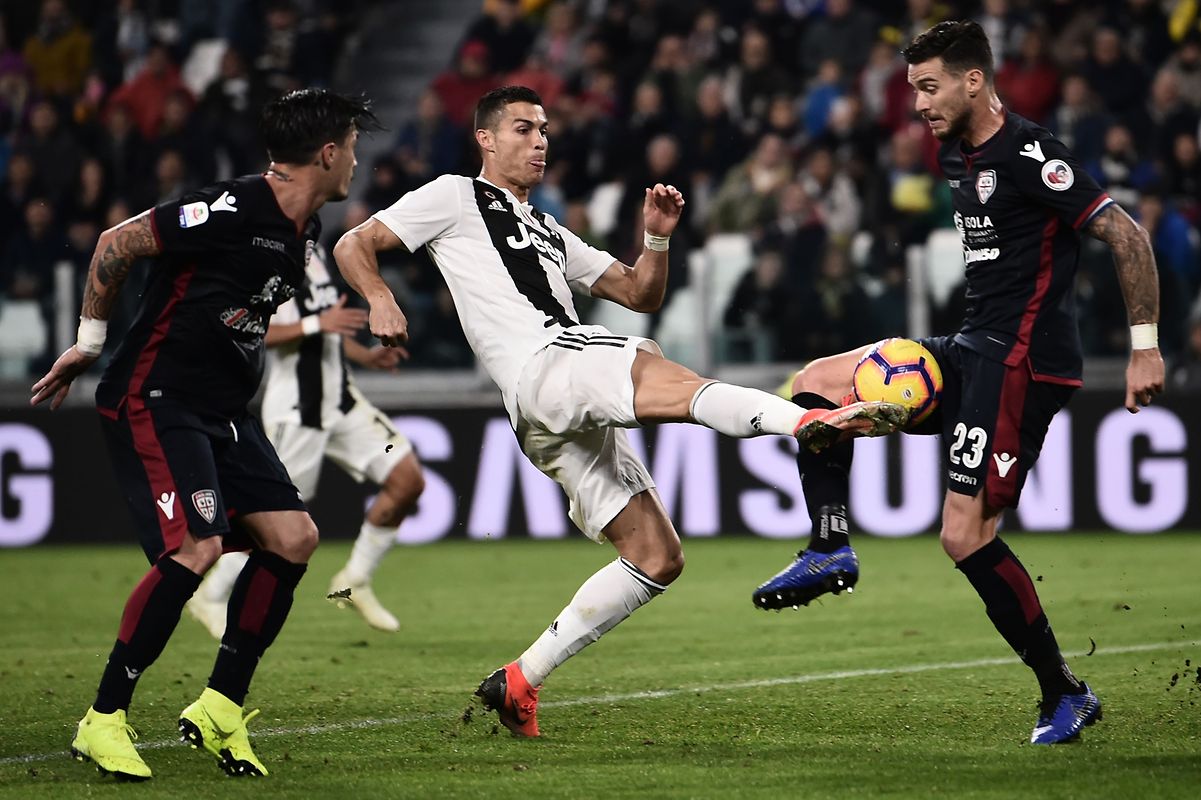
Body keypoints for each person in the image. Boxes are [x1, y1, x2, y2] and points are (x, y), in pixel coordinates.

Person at [332, 85, 907, 738]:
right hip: (544, 364)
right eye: (522, 128)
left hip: (547, 408)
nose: (539, 139)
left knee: (655, 556)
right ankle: (804, 423)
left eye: (544, 129)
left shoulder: (547, 228)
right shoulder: (451, 196)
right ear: (486, 140)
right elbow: (355, 242)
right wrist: (379, 297)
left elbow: (638, 292)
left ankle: (518, 680)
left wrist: (655, 242)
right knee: (665, 374)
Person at [752, 21, 1165, 746]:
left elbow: (1125, 235)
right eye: (913, 87)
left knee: (961, 534)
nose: (916, 103)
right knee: (814, 384)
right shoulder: (954, 154)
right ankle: (829, 544)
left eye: (928, 85)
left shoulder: (1031, 154)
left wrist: (1143, 349)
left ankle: (1063, 693)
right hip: (970, 345)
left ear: (974, 80)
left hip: (1023, 360)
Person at [30, 88, 378, 780]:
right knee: (199, 545)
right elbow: (118, 241)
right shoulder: (235, 207)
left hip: (223, 412)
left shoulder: (301, 229)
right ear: (329, 153)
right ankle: (103, 717)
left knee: (294, 537)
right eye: (352, 149)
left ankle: (220, 708)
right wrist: (89, 341)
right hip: (156, 397)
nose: (356, 165)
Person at [186, 242, 426, 639]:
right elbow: (254, 330)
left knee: (408, 481)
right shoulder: (264, 259)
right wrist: (319, 324)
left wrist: (363, 357)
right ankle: (210, 595)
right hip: (297, 411)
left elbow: (329, 327)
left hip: (341, 400)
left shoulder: (314, 256)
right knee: (273, 522)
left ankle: (354, 581)